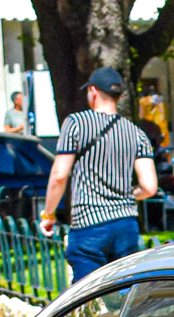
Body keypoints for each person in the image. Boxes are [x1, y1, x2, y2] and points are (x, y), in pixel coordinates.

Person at [41, 67, 158, 282]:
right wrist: (127, 195)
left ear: (93, 91)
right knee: (125, 293)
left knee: (87, 298)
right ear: (120, 96)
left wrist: (48, 215)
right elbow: (150, 187)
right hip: (126, 224)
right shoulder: (136, 133)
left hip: (89, 224)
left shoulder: (76, 124)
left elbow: (59, 175)